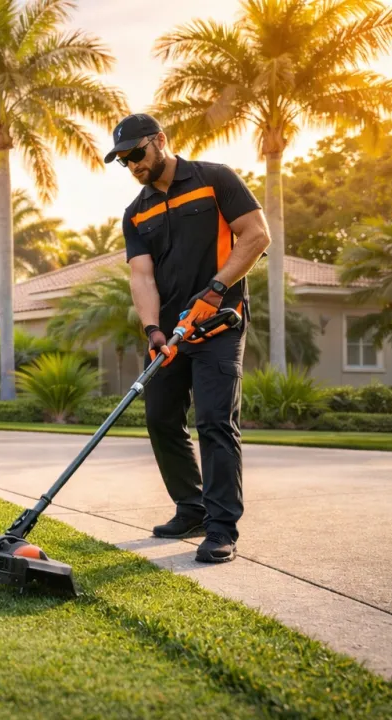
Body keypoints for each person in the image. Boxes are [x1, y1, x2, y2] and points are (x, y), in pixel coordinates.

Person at [106, 114, 271, 563]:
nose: (132, 165)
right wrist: (152, 329)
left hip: (219, 324)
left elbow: (256, 236)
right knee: (160, 418)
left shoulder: (213, 179)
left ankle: (221, 528)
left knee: (215, 423)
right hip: (171, 336)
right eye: (123, 161)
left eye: (136, 154)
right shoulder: (136, 212)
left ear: (159, 141)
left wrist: (216, 290)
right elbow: (142, 277)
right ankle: (192, 507)